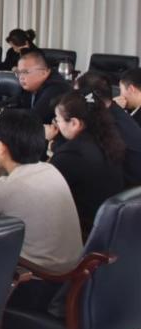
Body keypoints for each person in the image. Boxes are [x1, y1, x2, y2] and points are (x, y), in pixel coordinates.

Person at [0, 110, 82, 273]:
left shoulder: (8, 187)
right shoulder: (49, 169)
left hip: (38, 275)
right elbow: (0, 188)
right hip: (69, 269)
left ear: (2, 148)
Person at [48, 91, 125, 231]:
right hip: (108, 225)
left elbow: (43, 189)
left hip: (80, 231)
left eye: (57, 120)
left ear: (74, 123)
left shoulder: (71, 154)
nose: (56, 125)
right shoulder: (109, 141)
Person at [73, 72, 141, 187]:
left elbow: (85, 154)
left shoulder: (108, 123)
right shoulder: (114, 111)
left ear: (88, 98)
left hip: (124, 188)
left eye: (76, 95)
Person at [0, 48, 70, 123]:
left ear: (44, 73)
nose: (21, 77)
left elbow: (35, 117)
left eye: (25, 72)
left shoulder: (56, 88)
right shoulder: (31, 86)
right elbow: (16, 101)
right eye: (19, 73)